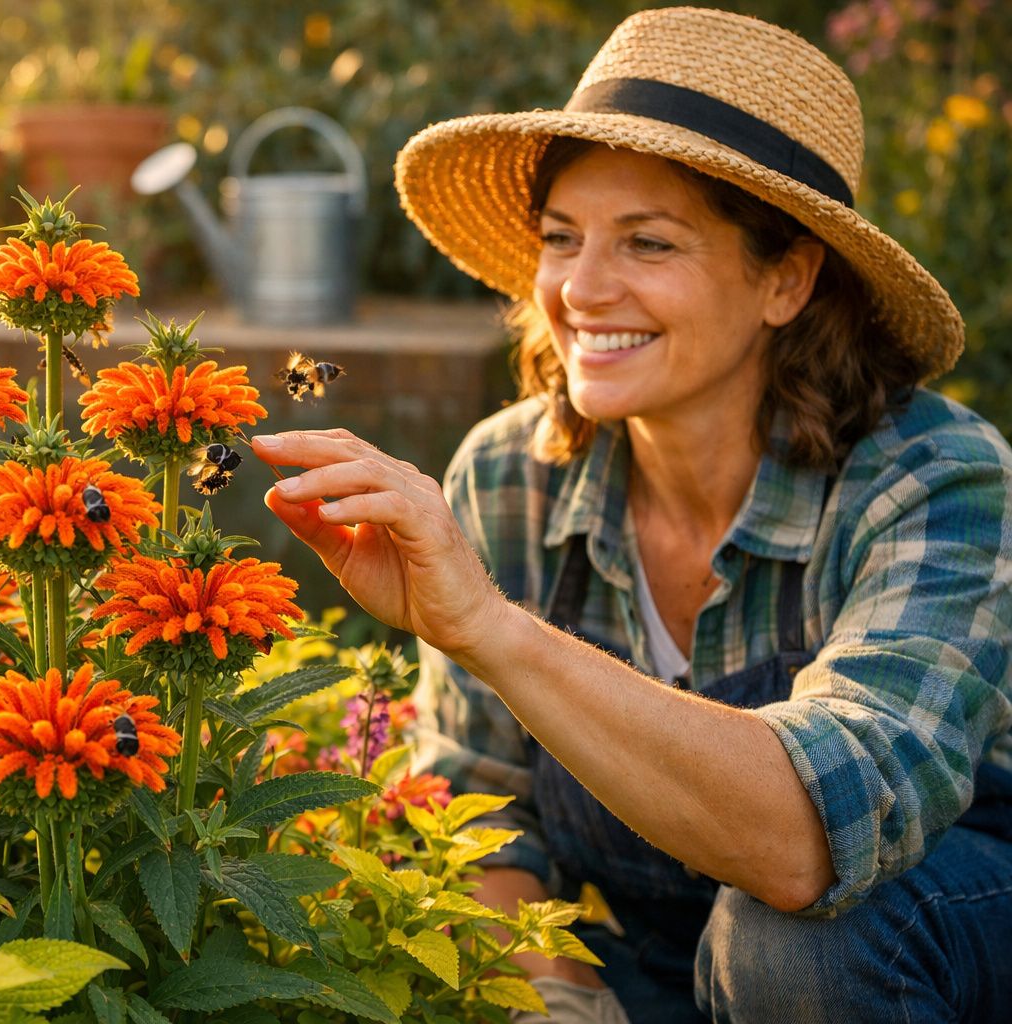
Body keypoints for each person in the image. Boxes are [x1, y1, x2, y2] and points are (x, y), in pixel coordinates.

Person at [251, 7, 1012, 1023]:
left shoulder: (935, 480)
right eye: (561, 239)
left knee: (793, 946)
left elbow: (810, 846)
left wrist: (488, 626)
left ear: (785, 278)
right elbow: (480, 825)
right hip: (656, 970)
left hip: (929, 948)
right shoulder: (509, 477)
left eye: (648, 242)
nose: (581, 288)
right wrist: (560, 996)